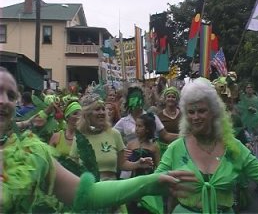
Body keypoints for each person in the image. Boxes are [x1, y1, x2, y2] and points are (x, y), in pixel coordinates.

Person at [0, 66, 200, 213]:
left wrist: (148, 182)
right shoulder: (77, 138)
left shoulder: (33, 153)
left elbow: (88, 193)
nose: (4, 101)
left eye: (10, 95)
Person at [144, 77, 258, 213]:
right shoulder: (176, 148)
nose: (195, 117)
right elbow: (153, 183)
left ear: (214, 112)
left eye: (202, 111)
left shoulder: (233, 147)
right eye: (191, 112)